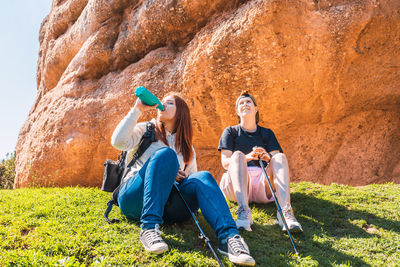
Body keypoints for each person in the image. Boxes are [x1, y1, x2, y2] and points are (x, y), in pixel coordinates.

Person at [111, 92, 255, 266]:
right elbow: (118, 142)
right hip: (134, 198)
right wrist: (138, 108)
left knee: (203, 176)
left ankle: (230, 238)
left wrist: (179, 177)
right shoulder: (146, 130)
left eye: (169, 103)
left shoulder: (187, 149)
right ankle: (149, 228)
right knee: (165, 155)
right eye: (162, 102)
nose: (161, 104)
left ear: (180, 112)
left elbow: (191, 183)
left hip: (168, 207)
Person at [218, 91, 303, 233]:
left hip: (263, 183)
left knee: (280, 157)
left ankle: (285, 214)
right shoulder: (230, 131)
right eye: (241, 103)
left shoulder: (267, 133)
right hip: (237, 184)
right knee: (238, 155)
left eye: (248, 102)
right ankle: (243, 212)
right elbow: (226, 163)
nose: (245, 104)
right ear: (237, 111)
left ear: (256, 108)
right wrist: (249, 157)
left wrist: (267, 157)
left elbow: (277, 162)